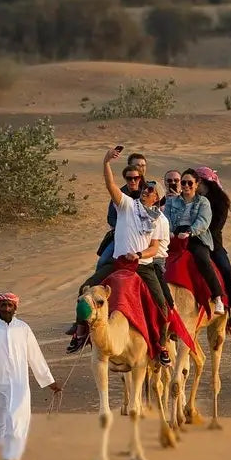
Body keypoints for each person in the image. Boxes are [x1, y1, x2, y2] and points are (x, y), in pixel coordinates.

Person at [67, 150, 172, 363]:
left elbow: (154, 249)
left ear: (156, 196)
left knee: (163, 306)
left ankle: (161, 345)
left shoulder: (160, 220)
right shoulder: (126, 205)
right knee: (85, 290)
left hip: (143, 266)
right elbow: (110, 185)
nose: (144, 191)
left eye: (149, 189)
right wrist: (106, 162)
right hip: (119, 264)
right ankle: (80, 332)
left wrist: (139, 255)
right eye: (144, 188)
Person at [0, 292, 61, 460]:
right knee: (1, 421)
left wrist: (48, 381)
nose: (6, 308)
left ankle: (11, 458)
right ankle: (6, 454)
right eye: (3, 305)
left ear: (15, 308)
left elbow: (35, 355)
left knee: (18, 418)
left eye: (9, 305)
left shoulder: (23, 328)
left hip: (19, 382)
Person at [163, 169, 226, 316]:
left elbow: (203, 222)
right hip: (175, 236)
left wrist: (190, 232)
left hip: (196, 237)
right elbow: (166, 219)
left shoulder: (203, 202)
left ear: (196, 184)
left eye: (189, 182)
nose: (186, 185)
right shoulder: (172, 201)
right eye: (183, 182)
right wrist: (171, 232)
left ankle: (217, 297)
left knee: (203, 259)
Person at [193, 166, 231, 328]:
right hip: (189, 242)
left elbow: (216, 227)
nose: (193, 185)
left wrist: (196, 230)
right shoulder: (190, 199)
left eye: (197, 182)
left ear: (203, 182)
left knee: (226, 271)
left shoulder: (220, 202)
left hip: (213, 243)